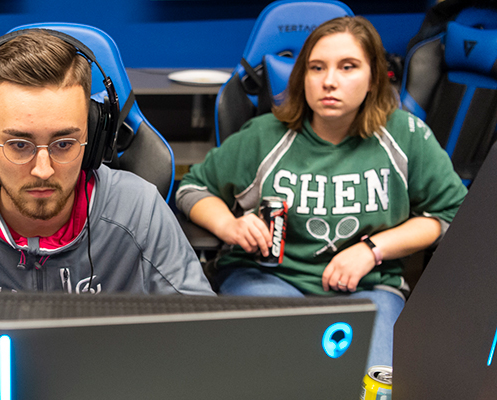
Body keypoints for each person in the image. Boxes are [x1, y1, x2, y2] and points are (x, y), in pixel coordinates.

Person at [176, 16, 466, 368]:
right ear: (303, 77)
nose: (330, 81)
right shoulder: (265, 135)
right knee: (277, 375)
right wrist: (229, 226)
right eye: (317, 68)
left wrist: (372, 250)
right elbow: (192, 188)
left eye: (348, 67)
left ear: (374, 78)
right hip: (267, 280)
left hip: (368, 290)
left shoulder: (405, 135)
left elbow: (451, 214)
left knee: (374, 382)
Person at [0, 30, 214, 295]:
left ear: (93, 137)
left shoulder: (140, 212)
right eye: (19, 144)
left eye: (64, 143)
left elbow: (203, 337)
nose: (43, 170)